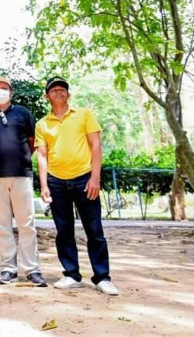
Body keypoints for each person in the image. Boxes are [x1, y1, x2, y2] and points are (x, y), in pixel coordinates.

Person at [35, 76, 118, 296]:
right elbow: (42, 155)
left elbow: (95, 145)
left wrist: (95, 177)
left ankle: (102, 277)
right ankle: (71, 274)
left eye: (62, 89)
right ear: (47, 96)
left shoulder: (84, 115)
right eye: (53, 90)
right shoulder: (42, 124)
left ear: (68, 94)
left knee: (94, 230)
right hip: (56, 181)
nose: (58, 92)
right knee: (64, 231)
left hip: (84, 179)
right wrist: (44, 185)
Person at [0, 77, 46, 287]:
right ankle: (8, 269)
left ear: (11, 92)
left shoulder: (23, 113)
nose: (0, 91)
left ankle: (32, 269)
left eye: (4, 88)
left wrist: (19, 158)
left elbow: (32, 142)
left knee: (27, 224)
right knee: (2, 225)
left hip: (21, 175)